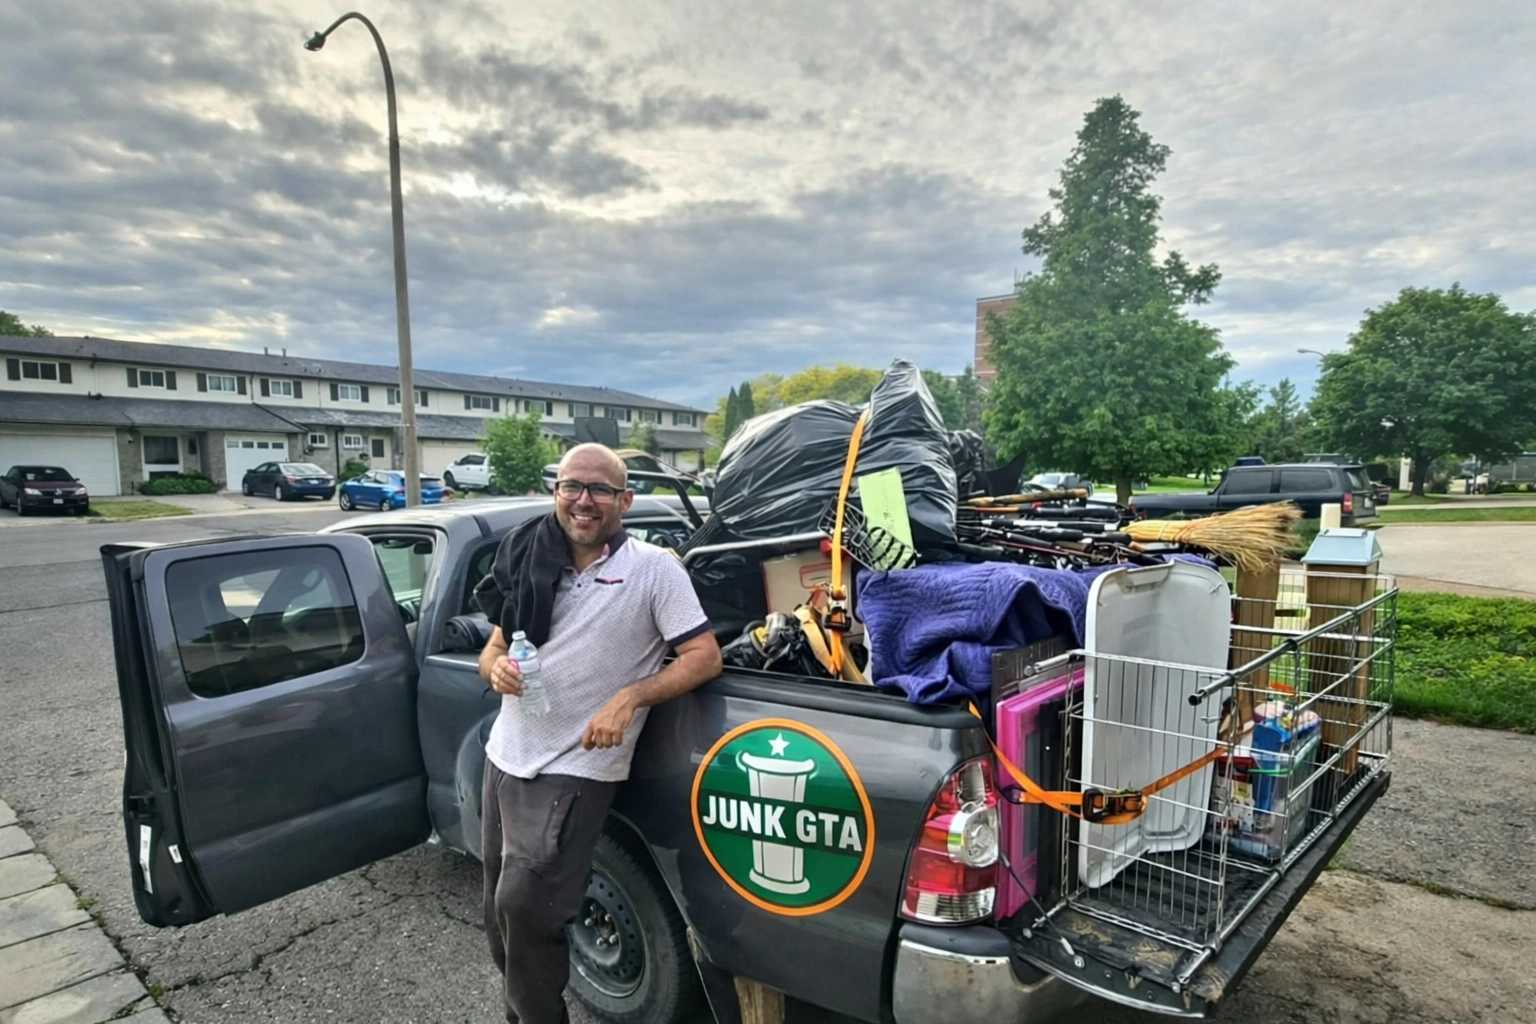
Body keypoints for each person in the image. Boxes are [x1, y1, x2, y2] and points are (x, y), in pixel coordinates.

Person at [474, 442, 722, 1024]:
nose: (584, 501)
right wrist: (496, 670)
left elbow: (703, 655)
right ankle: (523, 1011)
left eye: (600, 490)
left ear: (625, 501)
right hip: (506, 754)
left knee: (526, 903)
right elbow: (491, 649)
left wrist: (631, 696)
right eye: (572, 487)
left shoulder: (654, 569)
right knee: (498, 914)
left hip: (578, 764)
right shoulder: (527, 556)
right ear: (556, 492)